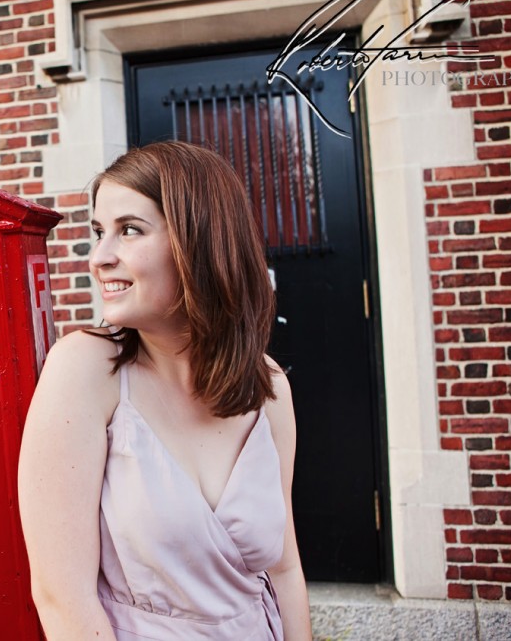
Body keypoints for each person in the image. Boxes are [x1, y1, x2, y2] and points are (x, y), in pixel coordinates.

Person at [18, 141, 312, 640]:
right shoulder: (87, 372)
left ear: (200, 241)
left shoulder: (269, 389)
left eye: (129, 230)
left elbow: (283, 570)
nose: (99, 258)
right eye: (97, 233)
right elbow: (61, 595)